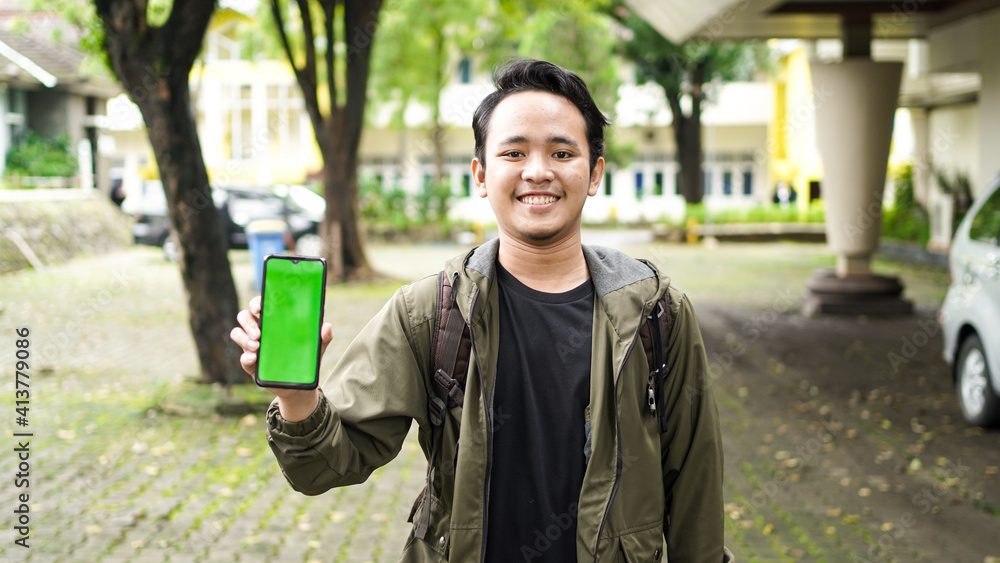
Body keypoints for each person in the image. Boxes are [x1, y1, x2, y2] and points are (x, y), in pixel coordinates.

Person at [231, 58, 731, 562]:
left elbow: (695, 483)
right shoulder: (431, 310)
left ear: (594, 172)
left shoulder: (654, 310)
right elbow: (323, 467)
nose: (538, 171)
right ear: (481, 174)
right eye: (514, 152)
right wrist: (296, 396)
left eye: (562, 151)